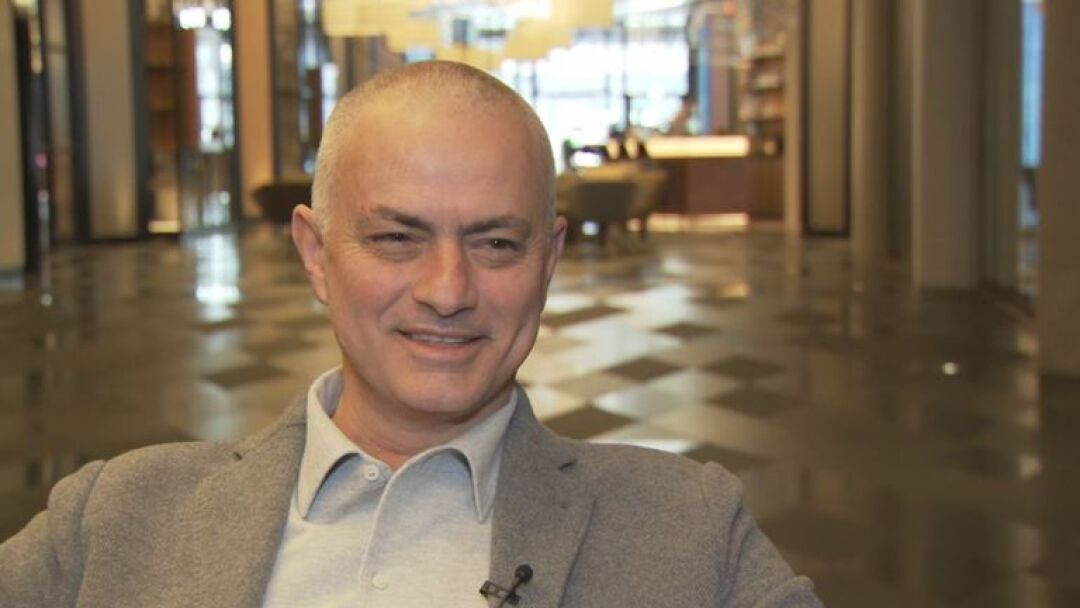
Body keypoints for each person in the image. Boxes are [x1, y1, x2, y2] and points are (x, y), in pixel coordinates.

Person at [0, 61, 822, 607]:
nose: (448, 292)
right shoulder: (116, 517)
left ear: (548, 259)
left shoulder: (690, 529)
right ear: (316, 255)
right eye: (397, 237)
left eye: (496, 243)